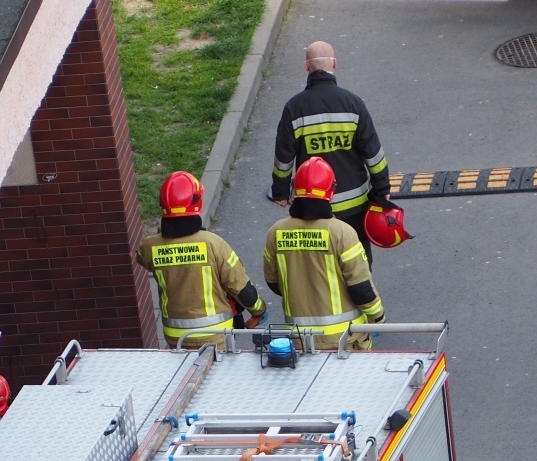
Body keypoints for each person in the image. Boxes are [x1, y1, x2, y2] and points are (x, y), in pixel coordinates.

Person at [271, 41, 391, 261]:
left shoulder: (294, 108)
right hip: (355, 205)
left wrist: (280, 192)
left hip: (312, 205)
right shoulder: (353, 104)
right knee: (357, 263)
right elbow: (373, 154)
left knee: (320, 265)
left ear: (306, 67)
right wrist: (382, 189)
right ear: (334, 64)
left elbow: (284, 158)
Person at [263, 157, 385, 351]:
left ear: (295, 189)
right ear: (331, 191)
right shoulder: (341, 233)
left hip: (300, 339)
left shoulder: (276, 232)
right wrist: (378, 317)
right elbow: (361, 287)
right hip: (346, 339)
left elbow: (274, 283)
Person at [136, 171, 266, 347]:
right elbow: (239, 286)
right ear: (197, 202)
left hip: (175, 337)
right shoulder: (214, 244)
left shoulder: (150, 246)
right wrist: (259, 310)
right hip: (216, 336)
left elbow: (142, 258)